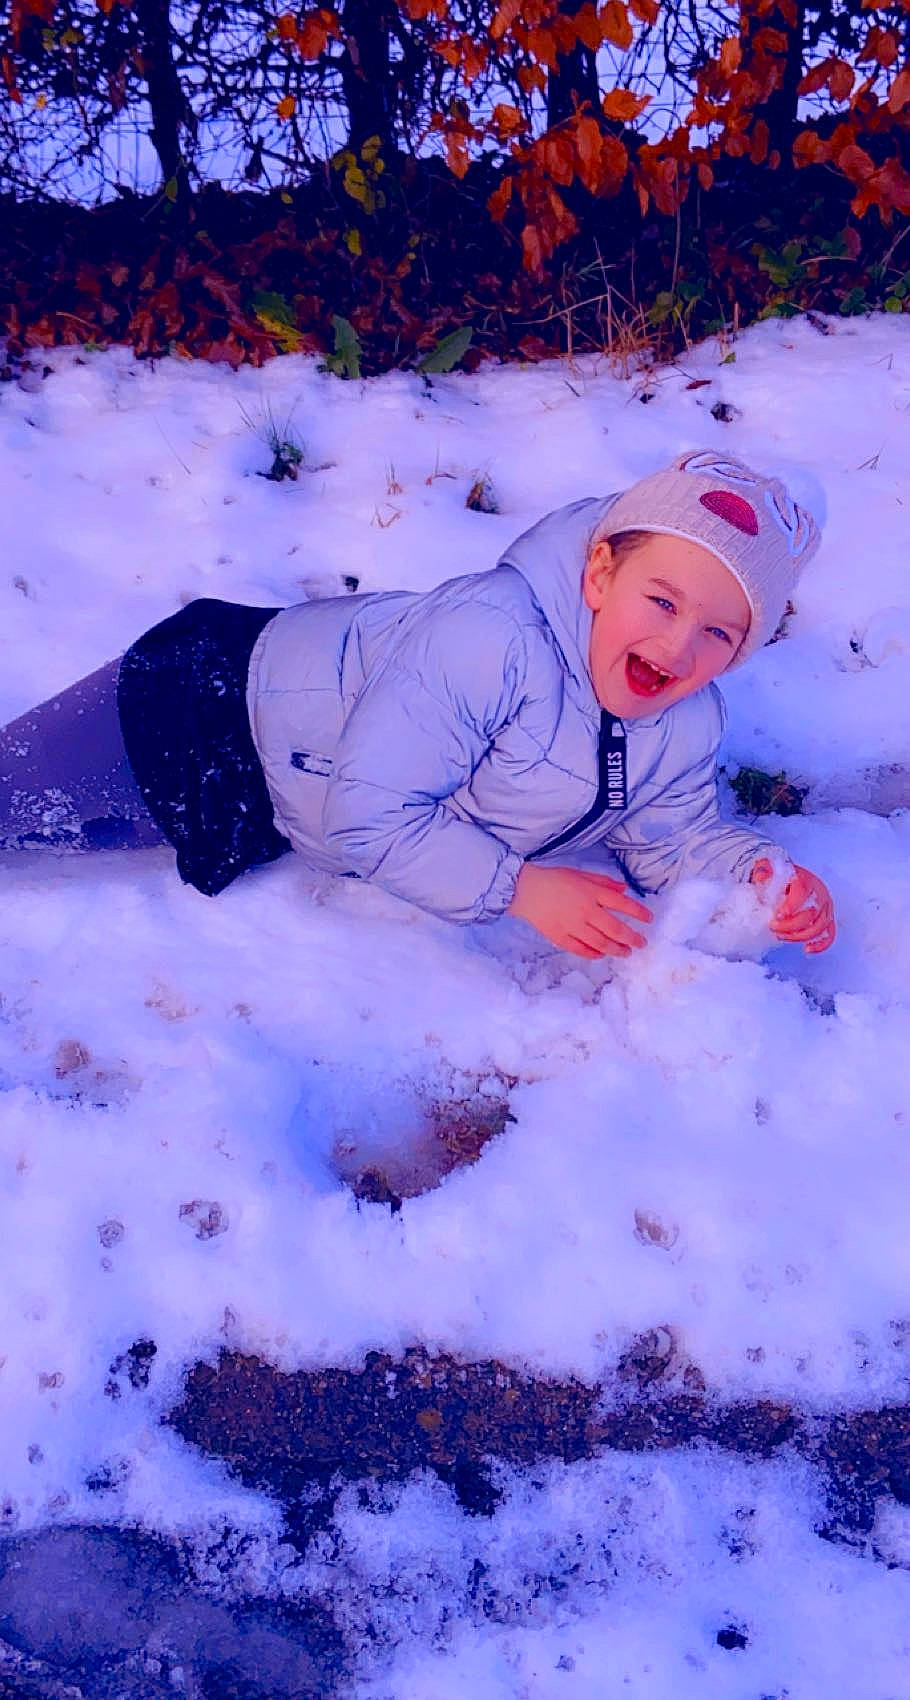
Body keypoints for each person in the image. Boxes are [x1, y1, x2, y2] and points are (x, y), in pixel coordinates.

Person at [0, 449, 835, 959]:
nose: (681, 648)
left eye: (719, 634)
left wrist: (757, 877)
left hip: (277, 804)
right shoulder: (493, 635)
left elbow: (670, 838)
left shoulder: (684, 723)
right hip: (203, 705)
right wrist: (522, 890)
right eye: (662, 602)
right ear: (598, 574)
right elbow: (370, 811)